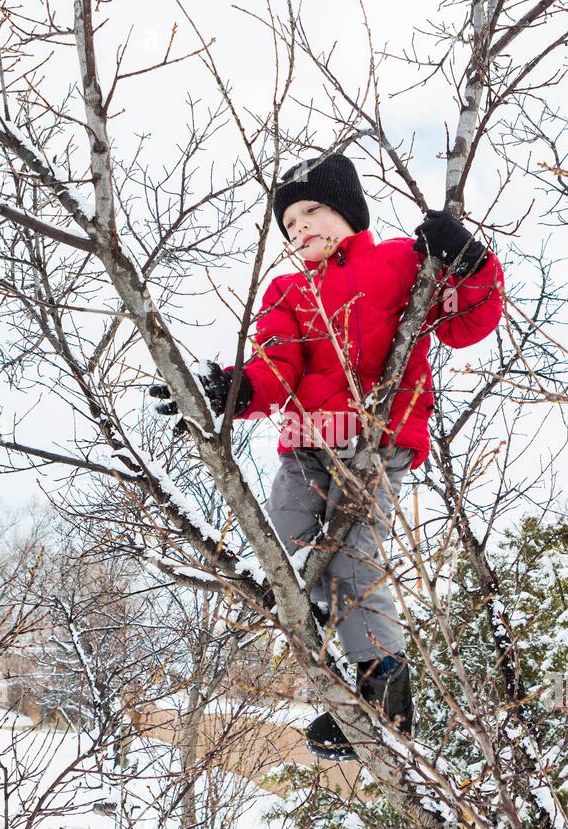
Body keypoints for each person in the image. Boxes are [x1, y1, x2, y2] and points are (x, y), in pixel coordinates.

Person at [148, 151, 505, 759]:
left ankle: (384, 689)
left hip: (376, 441)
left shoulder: (398, 261)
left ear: (347, 209)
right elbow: (276, 364)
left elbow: (464, 322)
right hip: (305, 447)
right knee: (281, 542)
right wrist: (232, 391)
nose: (301, 227)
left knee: (355, 554)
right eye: (289, 224)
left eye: (313, 211)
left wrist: (469, 260)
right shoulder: (287, 289)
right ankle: (325, 636)